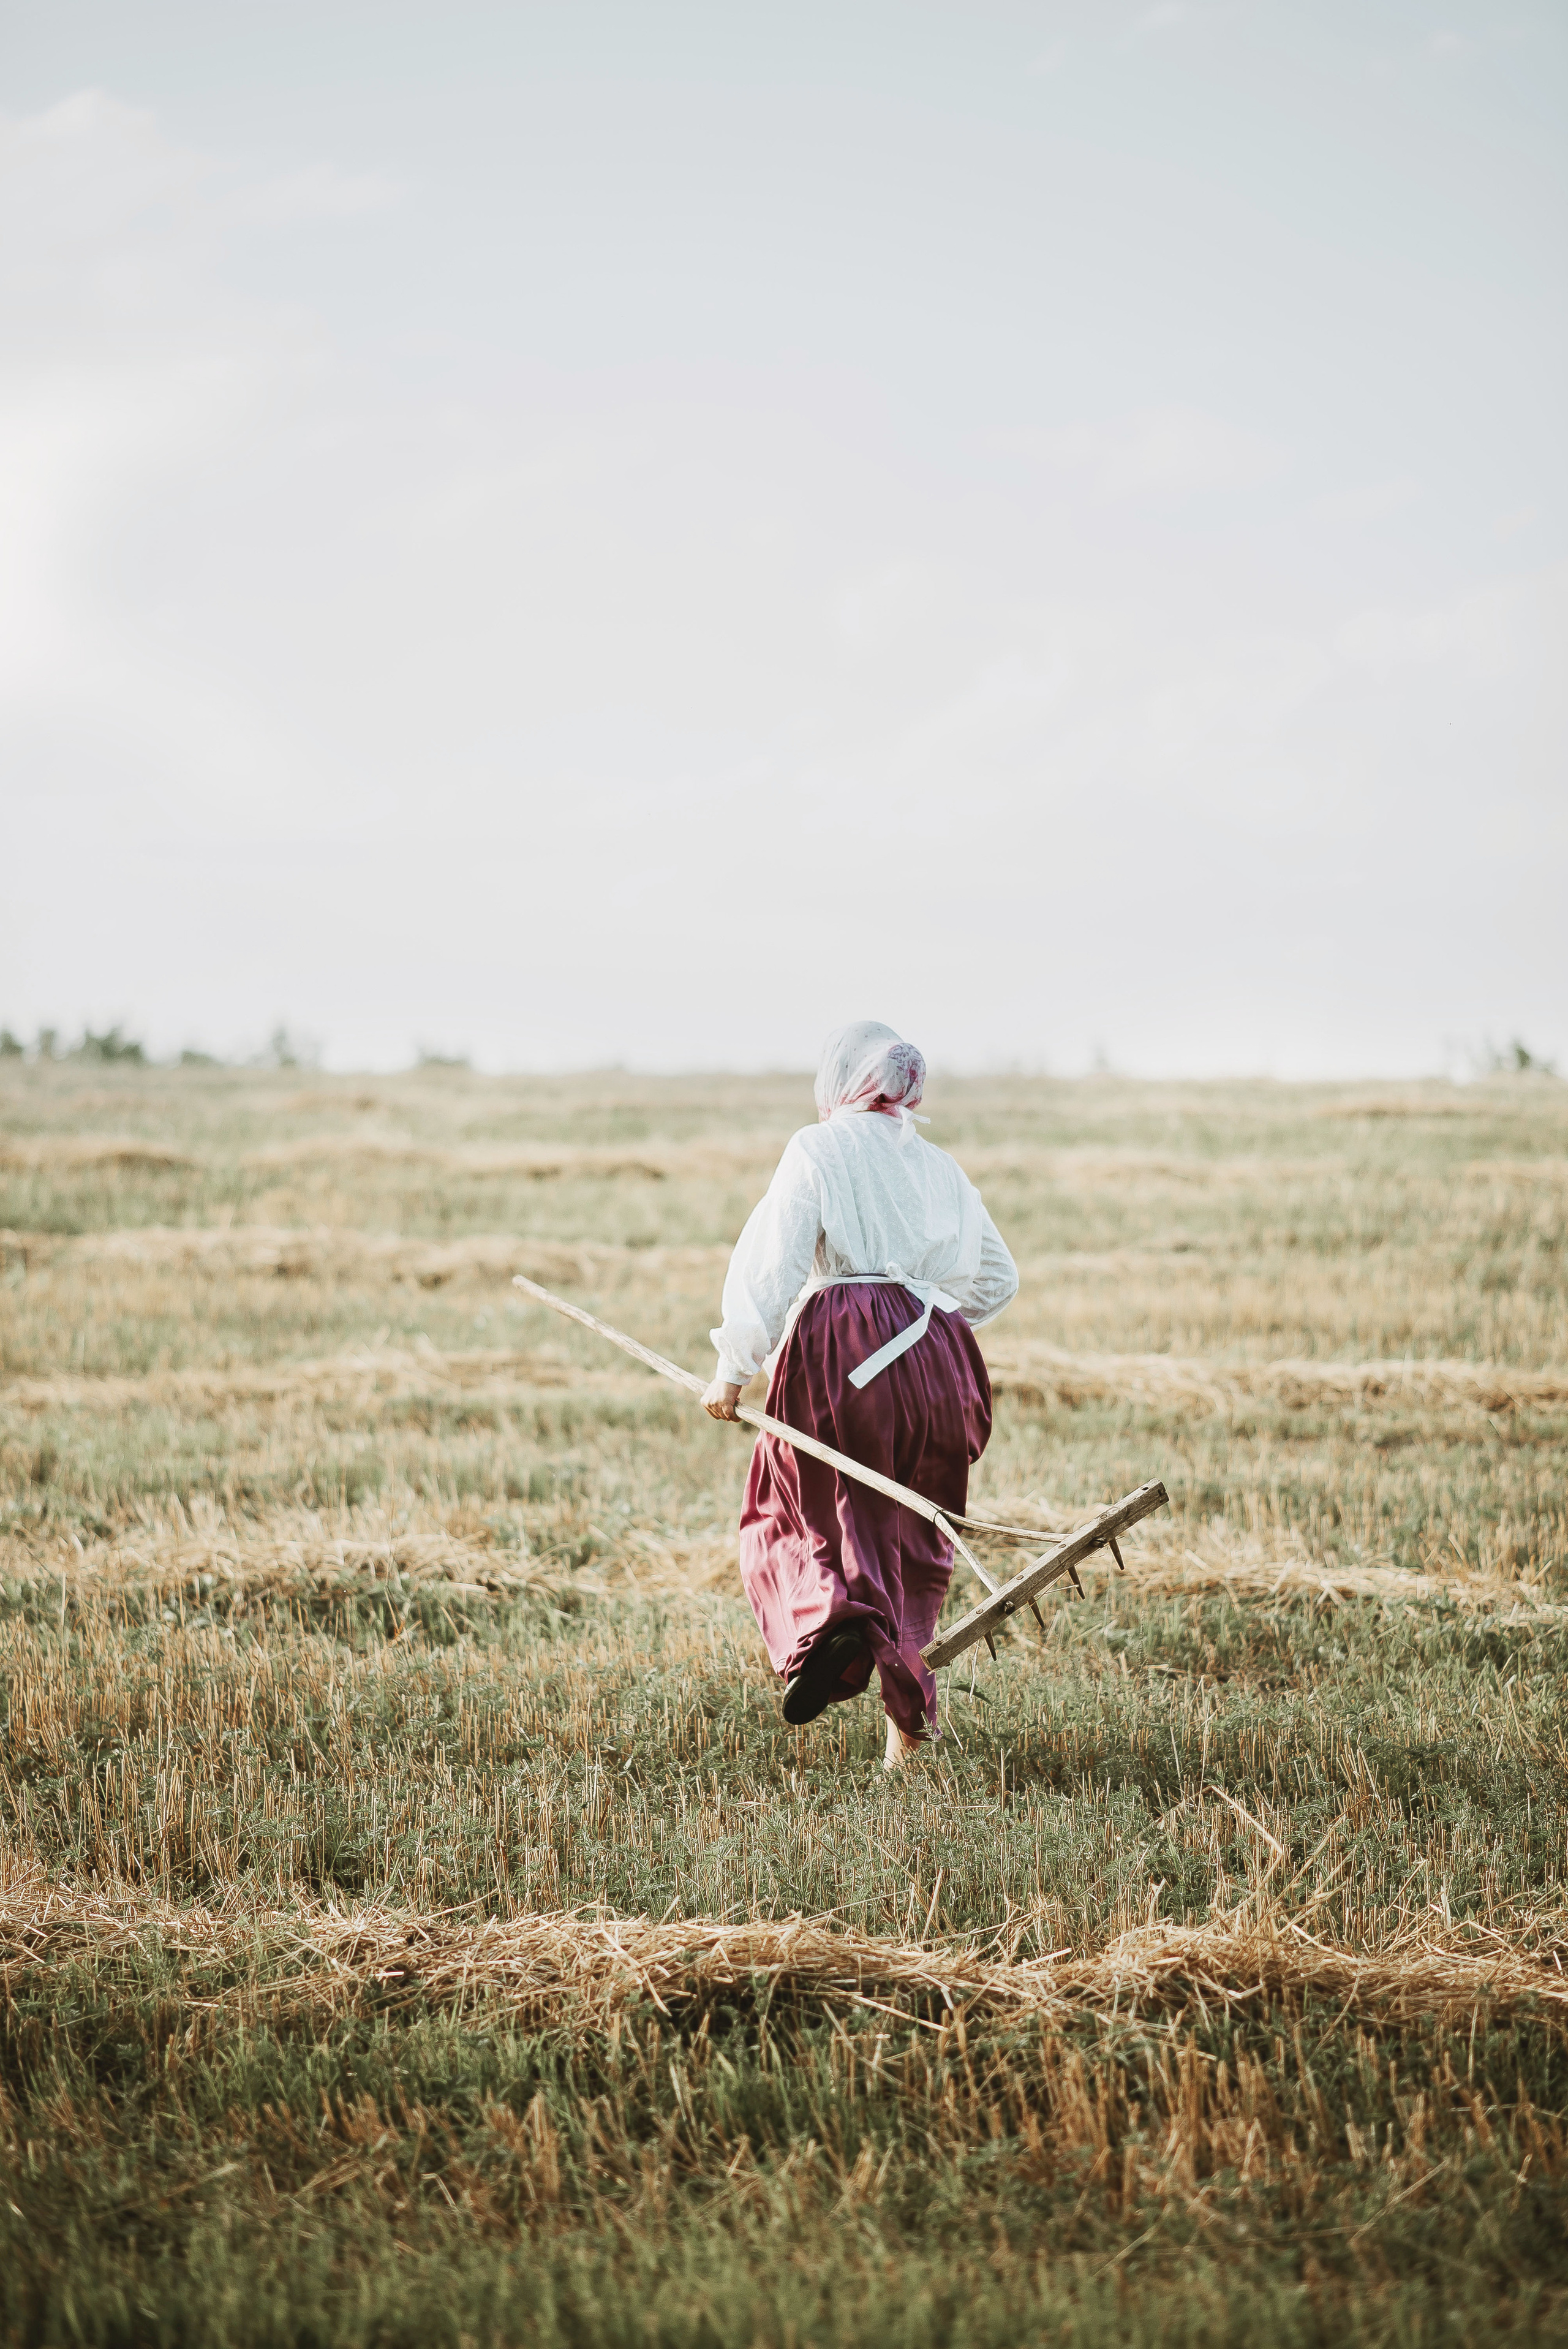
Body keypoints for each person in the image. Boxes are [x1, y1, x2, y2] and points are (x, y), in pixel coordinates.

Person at [703, 1020, 1019, 1771]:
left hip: (844, 1355)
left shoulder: (819, 1149)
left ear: (838, 1081)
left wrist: (732, 1366)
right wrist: (927, 1331)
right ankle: (909, 1733)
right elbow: (998, 1278)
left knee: (784, 1504)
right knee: (912, 1540)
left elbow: (772, 1262)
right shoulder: (940, 1166)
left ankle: (831, 1625)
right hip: (941, 1362)